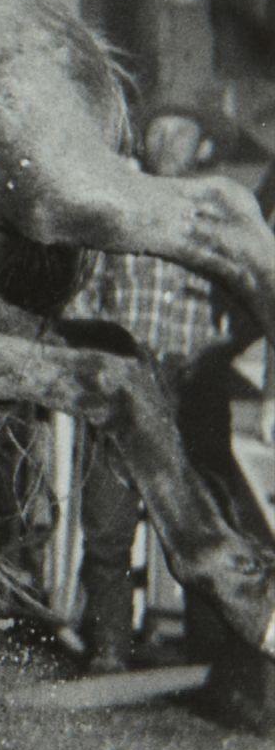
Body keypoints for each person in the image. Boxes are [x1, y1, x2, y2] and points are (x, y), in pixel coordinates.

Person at [74, 107, 274, 672]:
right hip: (122, 384)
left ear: (203, 146)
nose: (167, 142)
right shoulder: (117, 211)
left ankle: (207, 645)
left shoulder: (214, 220)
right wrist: (99, 354)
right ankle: (111, 645)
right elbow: (84, 294)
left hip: (192, 386)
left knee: (206, 513)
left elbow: (249, 303)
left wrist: (214, 353)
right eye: (158, 131)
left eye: (181, 132)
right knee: (107, 522)